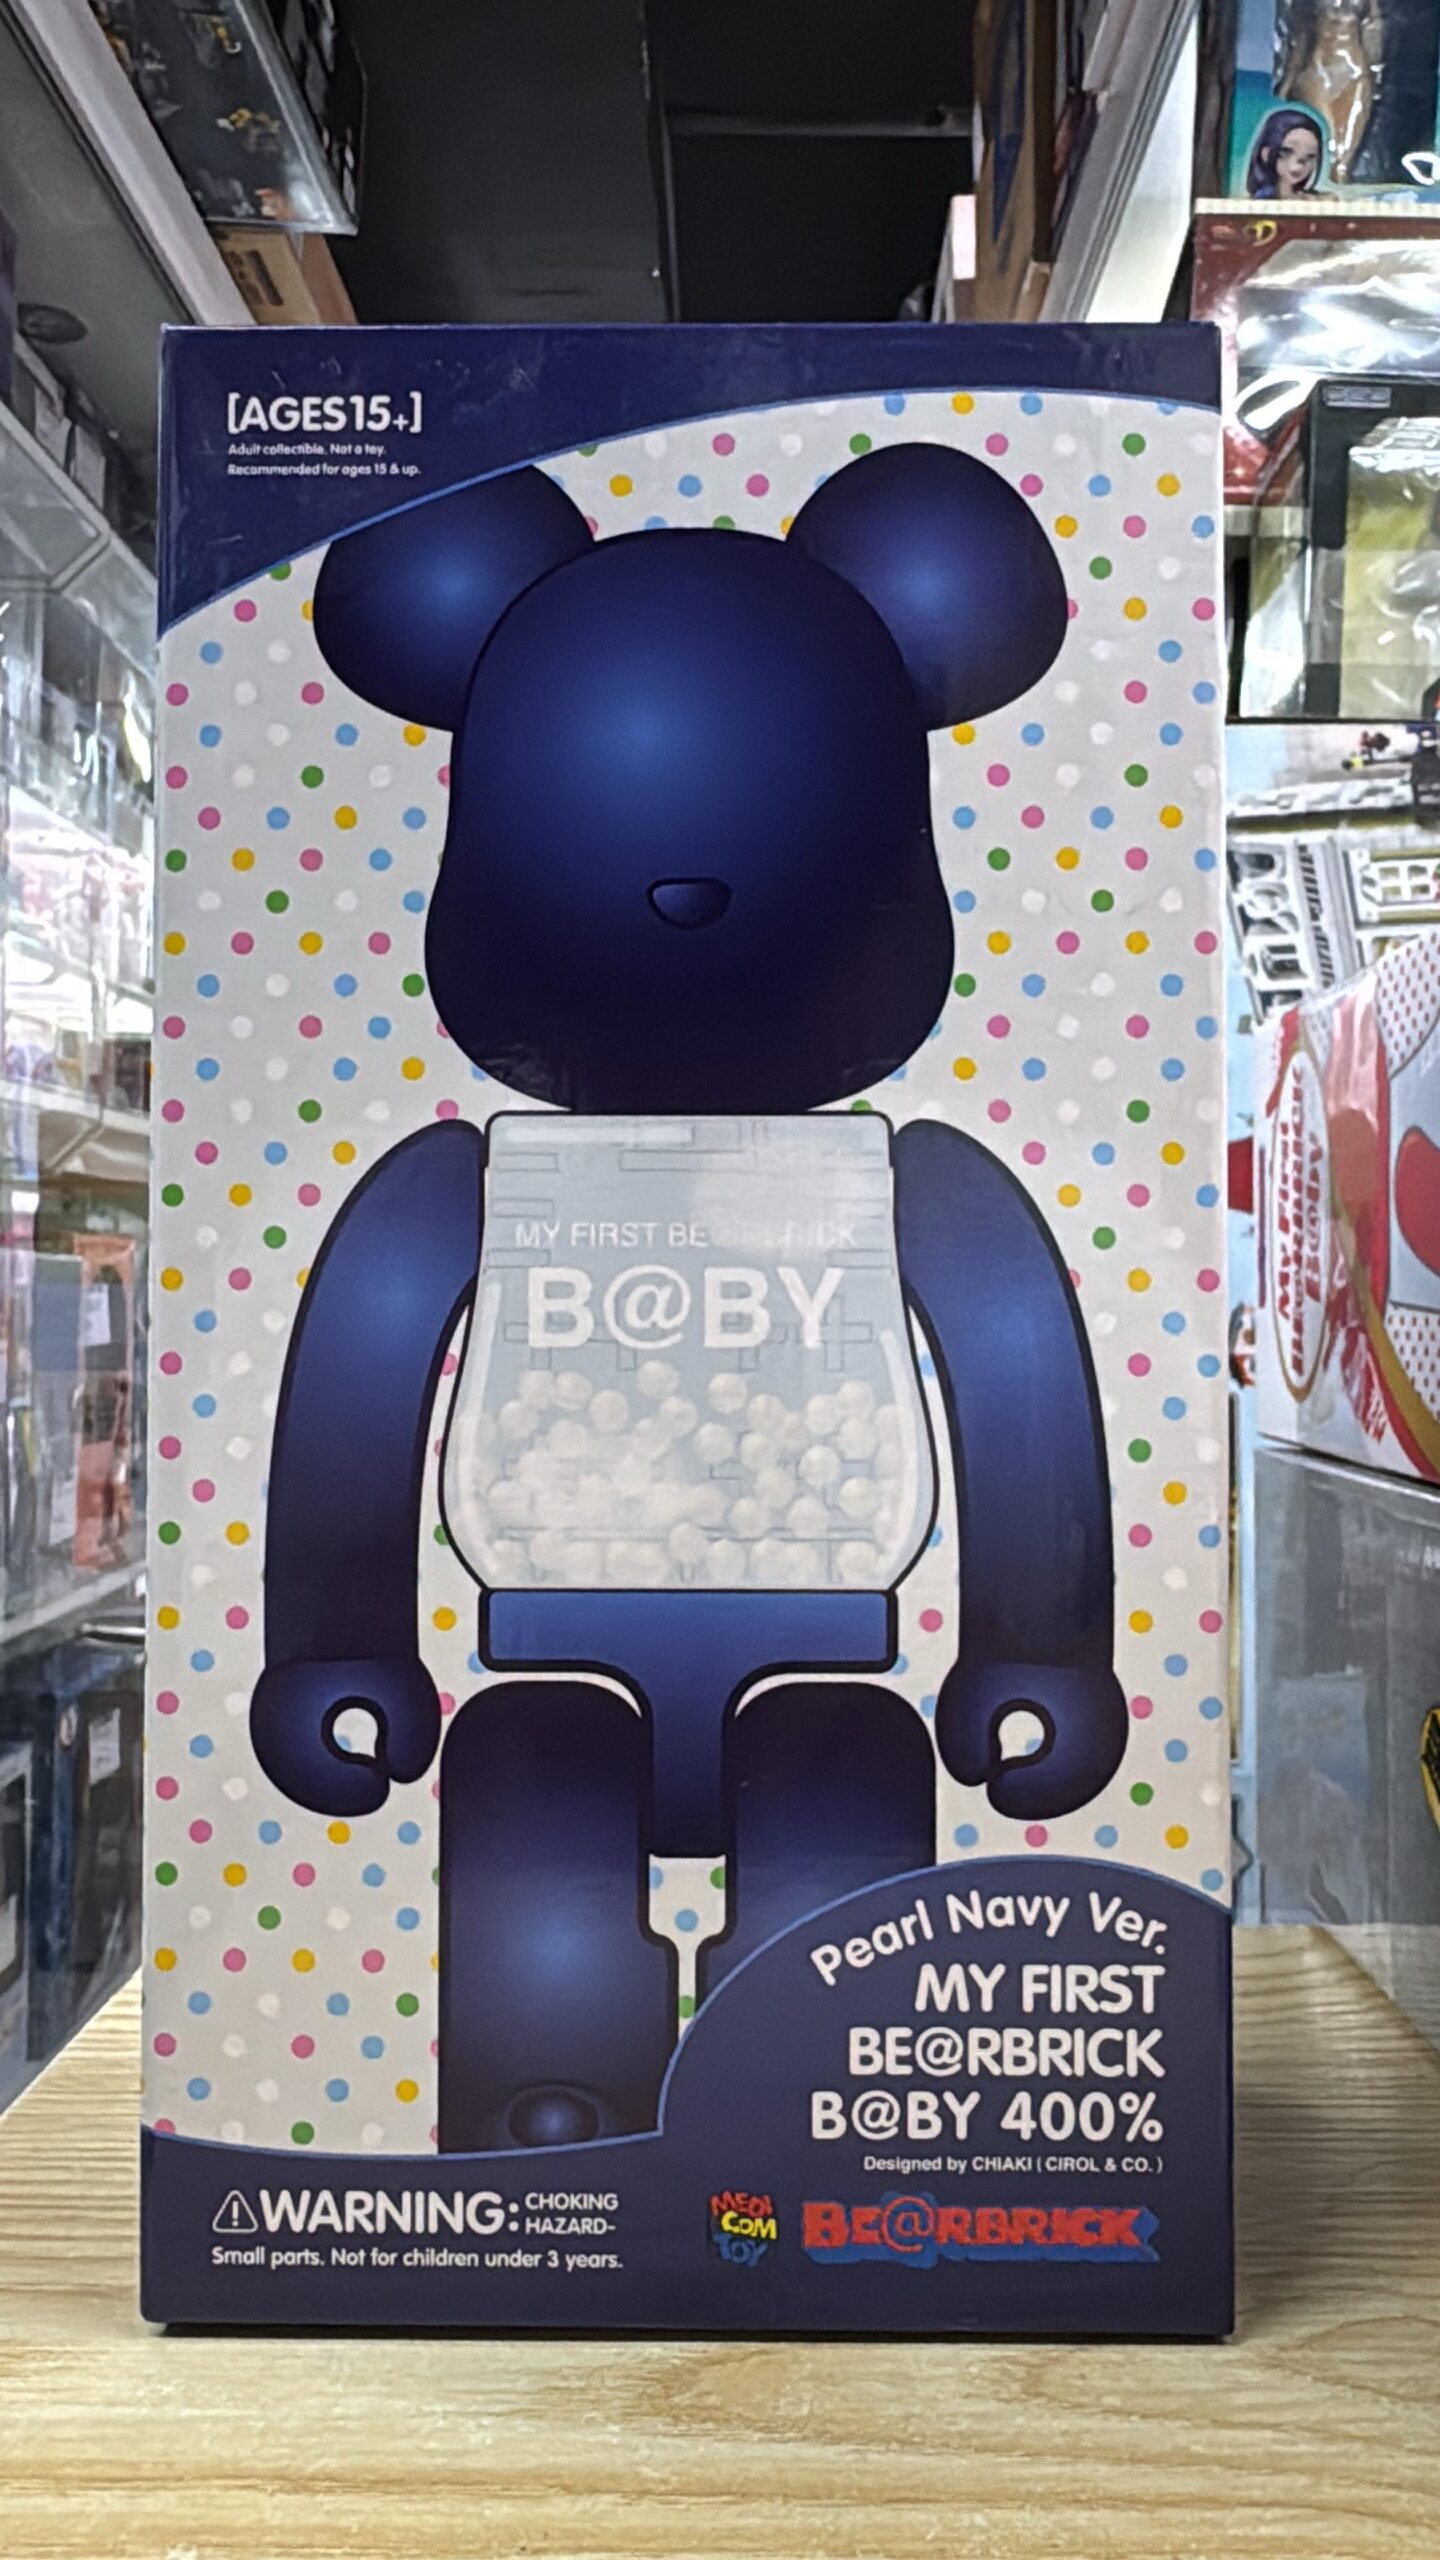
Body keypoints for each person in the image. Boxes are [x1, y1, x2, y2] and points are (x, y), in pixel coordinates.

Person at [1246, 104, 1326, 196]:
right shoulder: (1258, 201)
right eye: (1287, 151)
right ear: (1266, 154)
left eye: (1310, 155)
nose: (1299, 164)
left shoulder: (1315, 200)